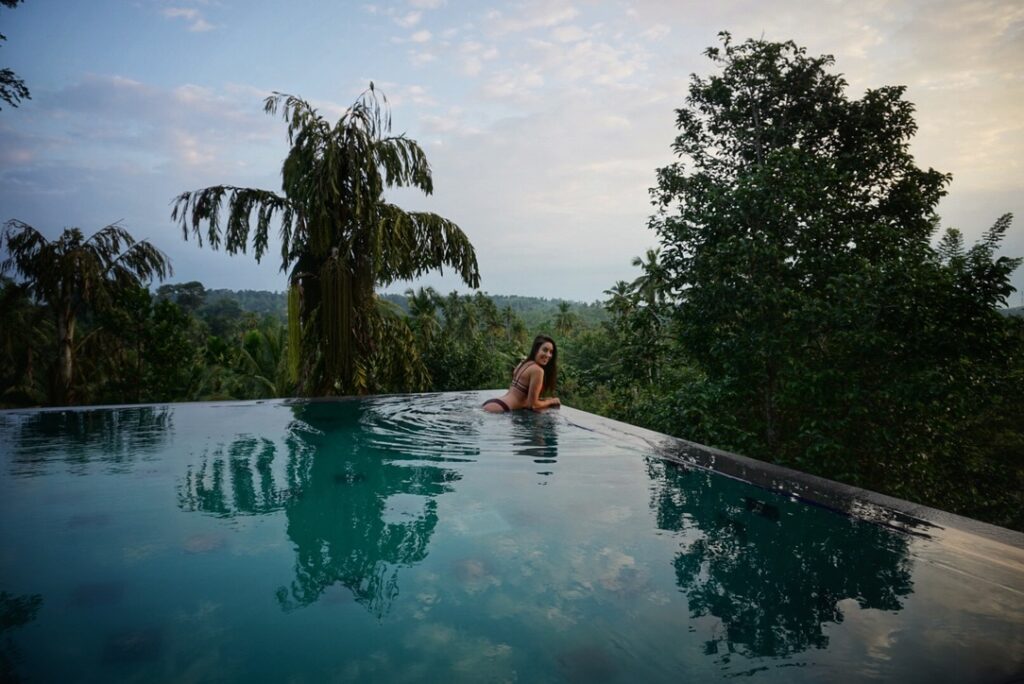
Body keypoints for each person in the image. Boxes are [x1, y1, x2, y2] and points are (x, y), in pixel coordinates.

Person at [483, 335, 561, 412]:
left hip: (495, 402)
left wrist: (545, 399)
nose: (548, 355)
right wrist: (552, 401)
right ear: (536, 350)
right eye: (545, 350)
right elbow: (533, 405)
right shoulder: (538, 370)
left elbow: (522, 396)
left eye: (551, 352)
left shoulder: (523, 362)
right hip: (502, 407)